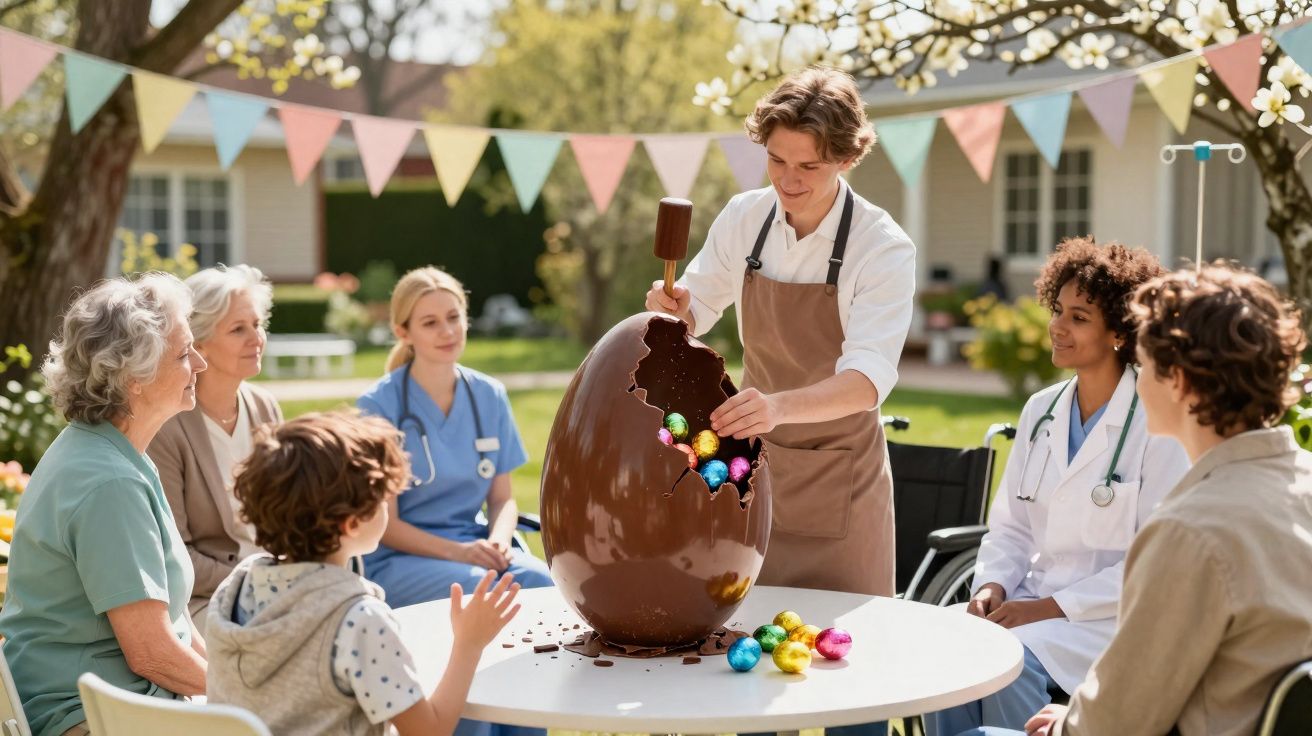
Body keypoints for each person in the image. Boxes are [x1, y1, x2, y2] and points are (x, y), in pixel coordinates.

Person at [645, 66, 915, 600]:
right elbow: (696, 304)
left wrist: (777, 407)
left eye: (808, 166)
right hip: (754, 467)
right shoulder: (745, 217)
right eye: (776, 160)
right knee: (743, 640)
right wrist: (677, 308)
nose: (787, 180)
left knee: (843, 657)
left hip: (842, 482)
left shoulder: (881, 247)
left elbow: (867, 380)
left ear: (846, 158)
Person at [1012, 263, 1312, 736]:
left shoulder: (1190, 531)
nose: (1137, 378)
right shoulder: (1304, 485)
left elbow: (1117, 721)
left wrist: (1065, 724)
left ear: (1181, 383)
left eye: (1146, 363)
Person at [927, 238, 1190, 735]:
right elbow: (1010, 527)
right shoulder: (1041, 411)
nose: (1057, 326)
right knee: (955, 649)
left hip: (1107, 620)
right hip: (1029, 599)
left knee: (1010, 661)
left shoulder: (1156, 422)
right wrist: (991, 586)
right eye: (1058, 310)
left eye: (1079, 317)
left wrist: (1044, 609)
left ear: (1119, 331)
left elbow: (1151, 562)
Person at [206, 411, 522, 736]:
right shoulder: (360, 621)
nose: (388, 507)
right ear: (352, 523)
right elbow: (430, 731)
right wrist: (469, 644)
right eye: (384, 499)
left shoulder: (235, 589)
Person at [0, 275, 208, 736]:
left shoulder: (113, 453)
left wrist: (231, 685)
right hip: (89, 717)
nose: (200, 362)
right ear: (134, 377)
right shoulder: (108, 480)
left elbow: (173, 620)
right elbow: (151, 653)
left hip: (127, 703)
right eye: (183, 353)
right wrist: (247, 698)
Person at [357, 266, 552, 607]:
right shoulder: (379, 406)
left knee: (546, 582)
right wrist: (460, 553)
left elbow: (502, 499)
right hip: (399, 560)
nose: (447, 331)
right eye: (430, 323)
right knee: (492, 591)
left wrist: (499, 541)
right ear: (403, 332)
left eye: (453, 317)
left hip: (475, 547)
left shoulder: (489, 395)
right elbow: (385, 525)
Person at [148, 264, 283, 621]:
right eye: (239, 329)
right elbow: (173, 552)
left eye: (257, 325)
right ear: (199, 343)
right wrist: (258, 579)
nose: (256, 338)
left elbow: (289, 510)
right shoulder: (168, 427)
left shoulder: (265, 407)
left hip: (278, 582)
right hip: (207, 600)